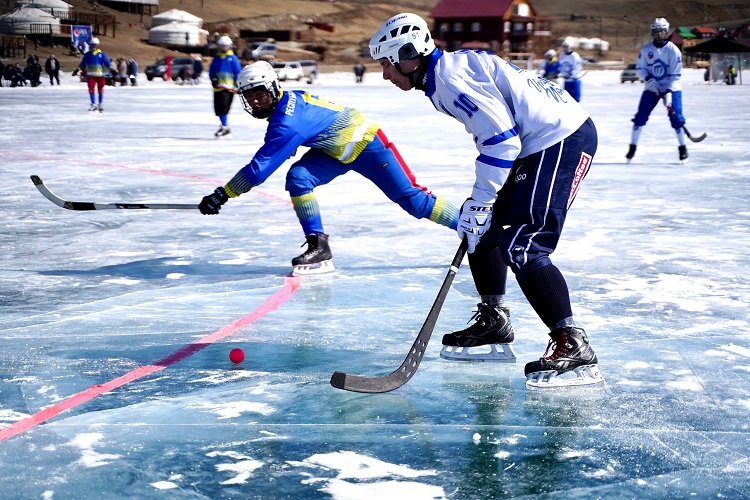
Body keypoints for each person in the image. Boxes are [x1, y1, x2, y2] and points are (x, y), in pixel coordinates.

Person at [369, 13, 601, 388]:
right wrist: (479, 206)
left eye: (386, 63)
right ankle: (494, 320)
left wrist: (481, 200)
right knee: (479, 227)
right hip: (534, 142)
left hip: (561, 137)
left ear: (408, 55)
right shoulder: (441, 76)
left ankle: (572, 342)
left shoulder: (449, 78)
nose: (384, 74)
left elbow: (501, 141)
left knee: (523, 244)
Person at [197, 61, 460, 277]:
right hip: (334, 150)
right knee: (299, 178)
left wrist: (223, 194)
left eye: (260, 94)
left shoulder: (286, 123)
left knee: (415, 202)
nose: (256, 102)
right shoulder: (287, 104)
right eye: (250, 96)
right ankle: (318, 245)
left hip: (367, 145)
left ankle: (474, 230)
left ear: (274, 89)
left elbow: (258, 170)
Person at [625, 18, 688, 163]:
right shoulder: (646, 49)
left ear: (666, 32)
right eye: (656, 31)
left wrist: (669, 93)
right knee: (640, 117)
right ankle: (632, 148)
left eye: (662, 31)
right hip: (652, 88)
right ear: (652, 32)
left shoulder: (673, 50)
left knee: (676, 118)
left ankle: (683, 148)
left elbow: (676, 74)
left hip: (671, 88)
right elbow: (640, 67)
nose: (659, 34)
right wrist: (648, 79)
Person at [208, 36, 242, 138]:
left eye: (226, 46)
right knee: (218, 109)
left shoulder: (233, 58)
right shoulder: (217, 58)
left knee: (224, 108)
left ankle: (225, 126)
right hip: (218, 87)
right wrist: (213, 79)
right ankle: (224, 126)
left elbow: (237, 72)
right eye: (222, 46)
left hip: (228, 88)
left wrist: (238, 85)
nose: (224, 48)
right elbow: (212, 71)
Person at [73, 37, 111, 112]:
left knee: (100, 90)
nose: (93, 46)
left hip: (100, 75)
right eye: (92, 45)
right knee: (91, 90)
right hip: (90, 76)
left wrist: (114, 71)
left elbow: (108, 64)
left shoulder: (102, 54)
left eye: (95, 45)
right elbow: (82, 64)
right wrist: (76, 70)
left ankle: (100, 104)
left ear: (97, 45)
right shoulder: (87, 55)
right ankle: (93, 104)